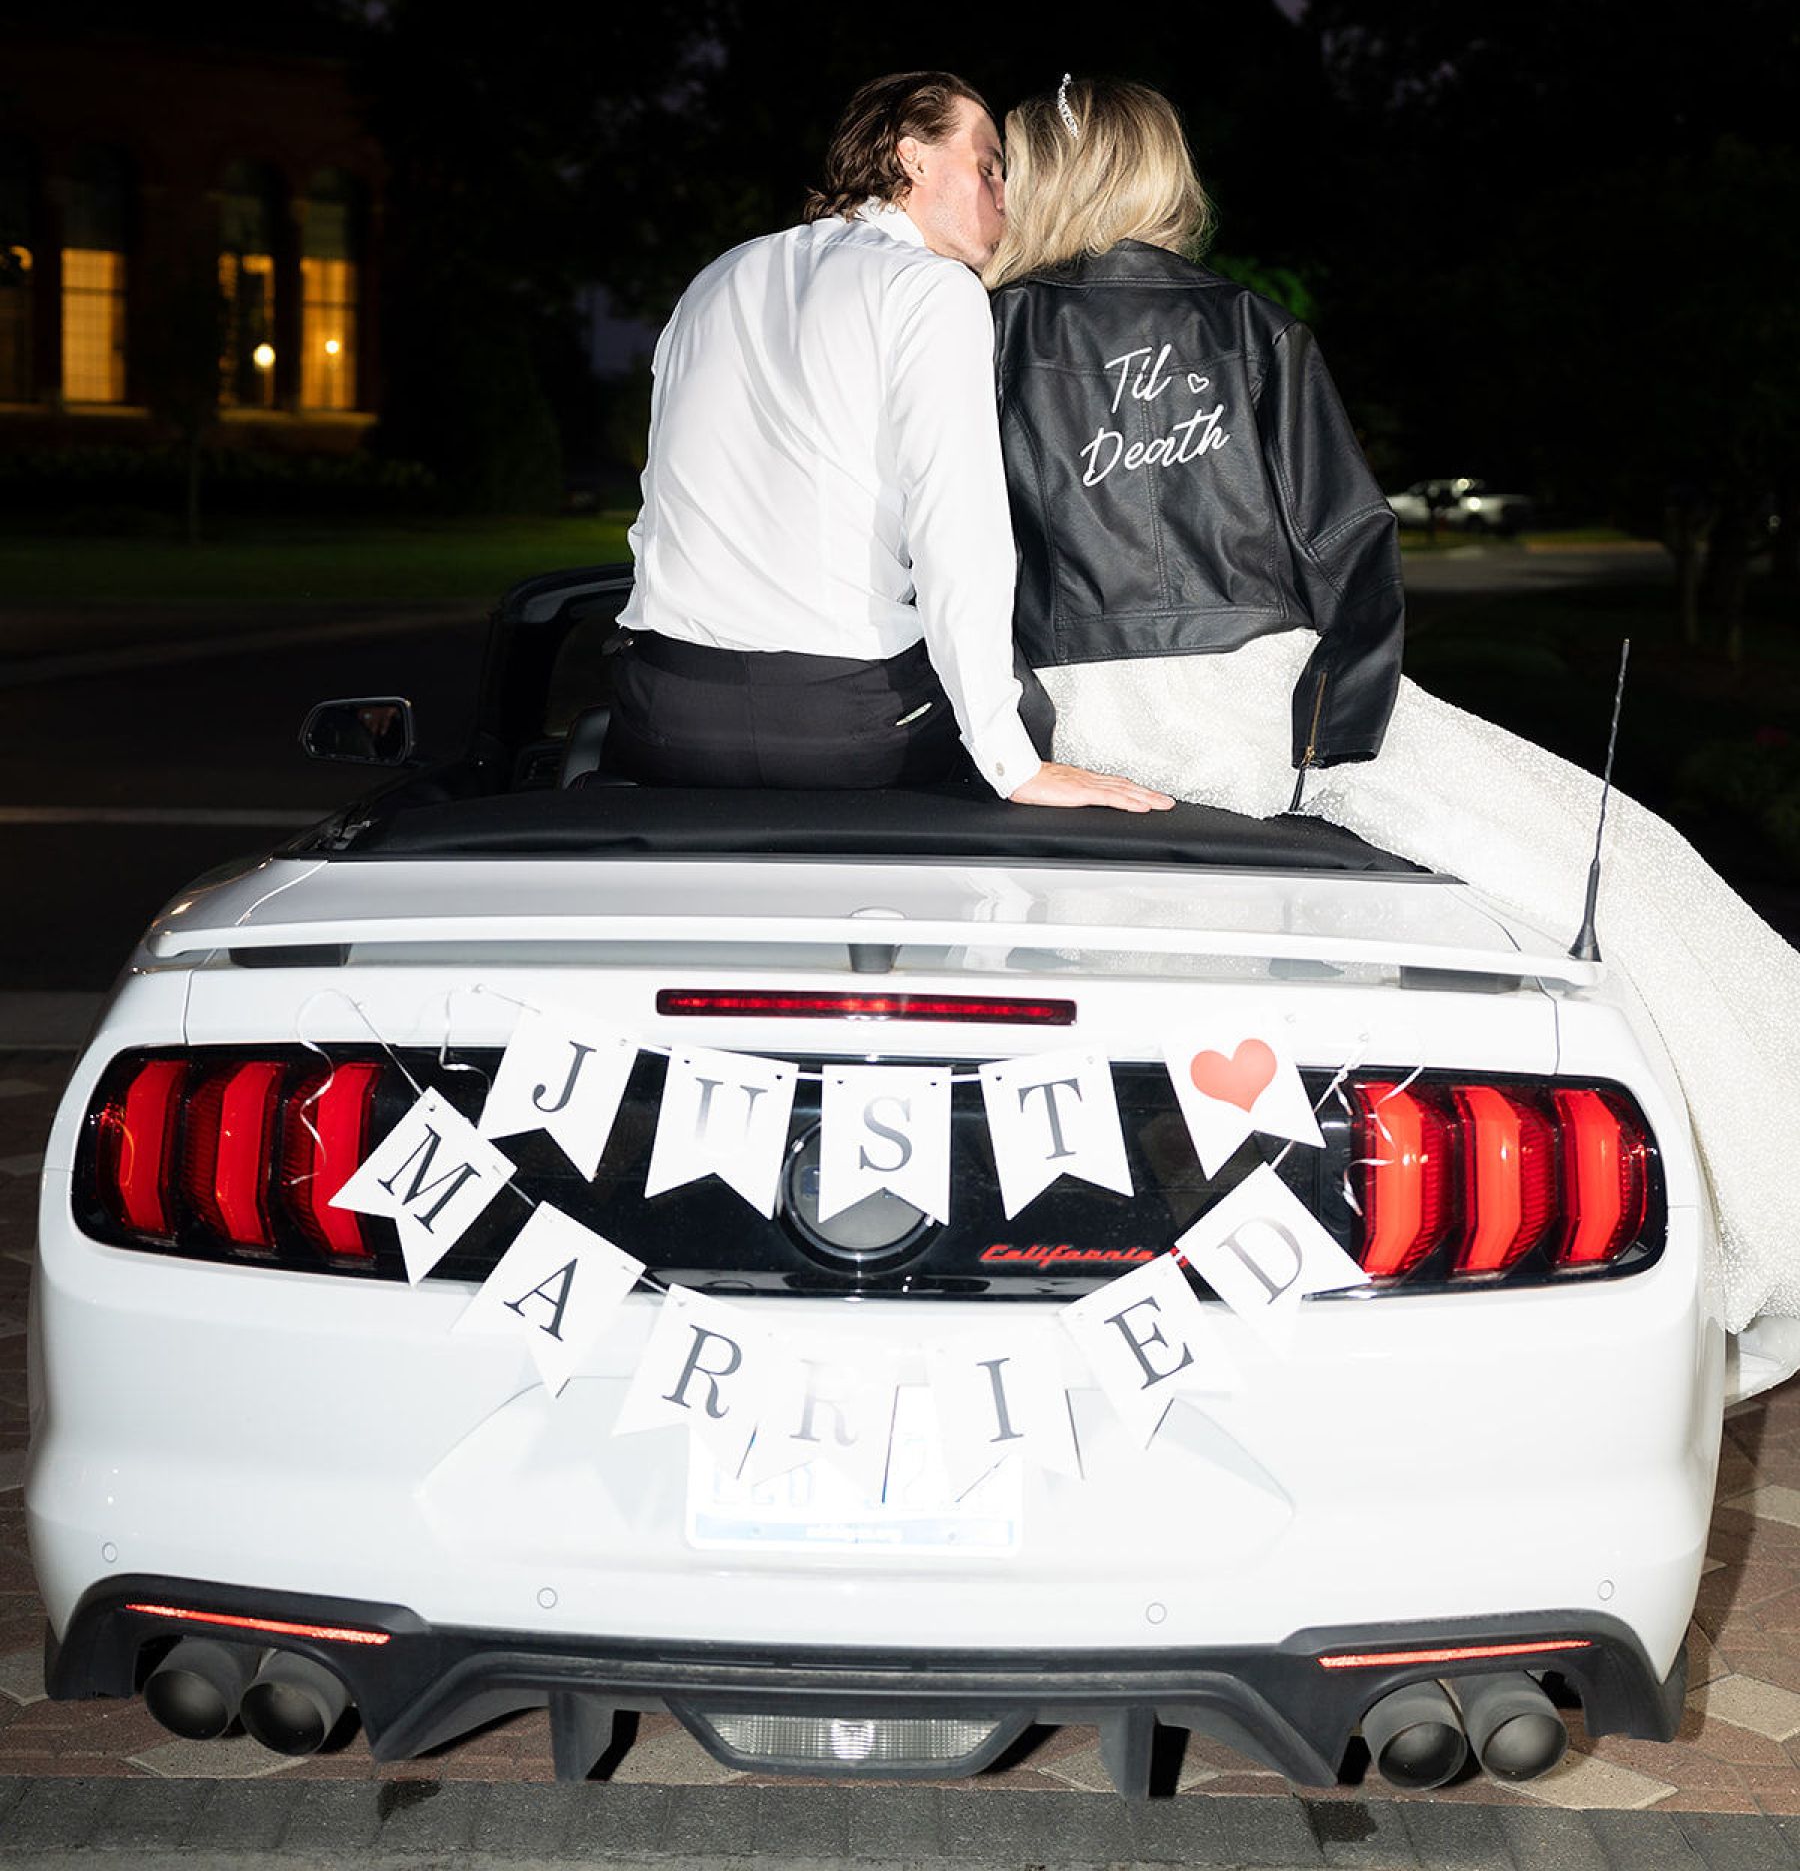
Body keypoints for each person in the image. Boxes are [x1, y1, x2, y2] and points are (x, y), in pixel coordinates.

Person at [986, 74, 1800, 1339]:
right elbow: (1350, 543)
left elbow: (961, 557)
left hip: (1073, 707)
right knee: (1606, 870)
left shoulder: (981, 333)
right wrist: (1329, 741)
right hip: (1268, 696)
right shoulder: (1252, 327)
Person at [606, 68, 1171, 813]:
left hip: (665, 713)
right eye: (990, 165)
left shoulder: (716, 277)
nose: (1006, 194)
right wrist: (1013, 762)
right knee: (1063, 710)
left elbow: (658, 508)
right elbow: (957, 534)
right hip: (839, 725)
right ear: (912, 158)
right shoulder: (931, 290)